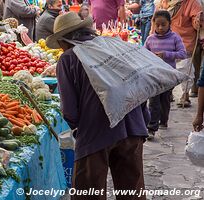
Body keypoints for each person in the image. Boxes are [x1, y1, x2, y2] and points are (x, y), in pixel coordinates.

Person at [46, 12, 149, 200]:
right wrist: (143, 118)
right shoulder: (116, 46)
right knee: (132, 192)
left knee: (88, 192)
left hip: (96, 132)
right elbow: (140, 85)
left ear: (63, 41)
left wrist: (76, 131)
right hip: (132, 126)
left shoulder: (68, 58)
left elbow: (70, 111)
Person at [144, 10, 186, 138]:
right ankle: (152, 127)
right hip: (155, 76)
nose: (160, 28)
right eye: (158, 25)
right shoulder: (150, 39)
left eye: (163, 24)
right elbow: (144, 54)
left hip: (168, 76)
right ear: (153, 24)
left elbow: (182, 54)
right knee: (154, 101)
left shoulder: (175, 38)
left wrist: (166, 54)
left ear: (169, 24)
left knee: (165, 100)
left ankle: (164, 120)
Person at [156, 0, 202, 108]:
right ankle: (168, 93)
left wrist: (198, 20)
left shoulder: (191, 3)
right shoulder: (163, 2)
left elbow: (197, 23)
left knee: (185, 69)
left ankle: (185, 95)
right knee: (167, 69)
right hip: (164, 42)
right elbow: (155, 21)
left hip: (184, 42)